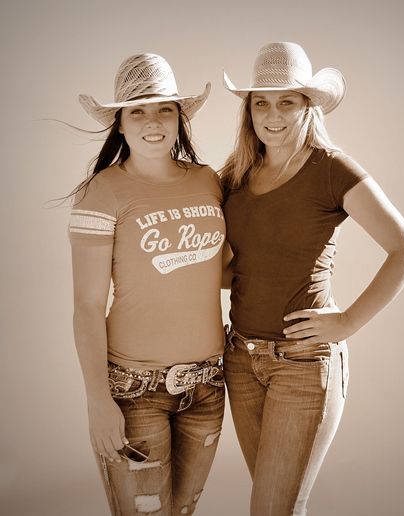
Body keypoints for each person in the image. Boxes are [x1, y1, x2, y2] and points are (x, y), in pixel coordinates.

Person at [220, 41, 404, 516]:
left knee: (271, 508)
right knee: (276, 505)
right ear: (249, 110)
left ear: (308, 104)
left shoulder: (331, 169)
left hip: (304, 365)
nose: (273, 114)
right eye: (261, 102)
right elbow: (238, 269)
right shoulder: (235, 175)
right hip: (241, 362)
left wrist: (348, 322)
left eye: (287, 100)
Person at [69, 53, 226, 516]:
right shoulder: (102, 192)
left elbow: (225, 269)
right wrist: (98, 401)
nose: (152, 121)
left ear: (180, 118)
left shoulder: (207, 180)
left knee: (181, 511)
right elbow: (86, 305)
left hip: (207, 385)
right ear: (119, 124)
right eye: (137, 110)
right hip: (135, 391)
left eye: (164, 109)